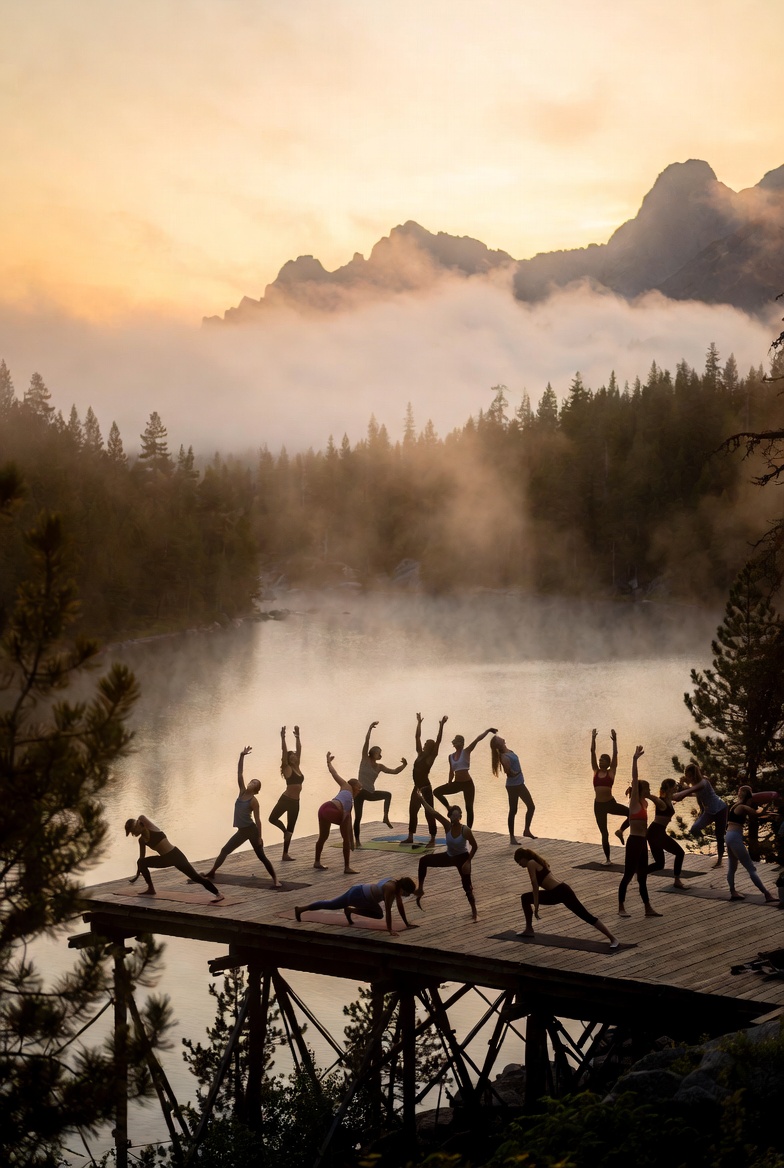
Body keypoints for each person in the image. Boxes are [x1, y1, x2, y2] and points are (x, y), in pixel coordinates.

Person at [203, 746, 280, 886]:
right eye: (251, 781)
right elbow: (239, 773)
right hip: (242, 831)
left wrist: (259, 837)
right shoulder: (242, 792)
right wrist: (242, 756)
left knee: (261, 856)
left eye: (254, 783)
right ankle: (212, 871)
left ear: (256, 790)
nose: (251, 783)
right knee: (225, 850)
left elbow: (258, 821)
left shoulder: (254, 801)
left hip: (251, 830)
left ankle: (275, 879)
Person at [514, 846, 618, 948]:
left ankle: (613, 938)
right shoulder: (537, 861)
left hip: (562, 892)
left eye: (519, 862)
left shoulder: (531, 863)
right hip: (556, 892)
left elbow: (534, 884)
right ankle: (529, 929)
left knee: (586, 916)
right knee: (525, 898)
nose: (520, 865)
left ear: (524, 858)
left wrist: (536, 906)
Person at [413, 790, 478, 921]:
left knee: (467, 886)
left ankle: (474, 911)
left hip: (462, 858)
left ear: (460, 817)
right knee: (423, 860)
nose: (454, 818)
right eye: (452, 816)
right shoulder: (447, 826)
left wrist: (468, 862)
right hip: (449, 856)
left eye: (457, 816)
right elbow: (433, 812)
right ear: (450, 817)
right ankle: (420, 889)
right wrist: (421, 800)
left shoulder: (465, 830)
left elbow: (475, 846)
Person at [125, 815, 223, 901]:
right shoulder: (142, 840)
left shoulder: (152, 828)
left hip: (176, 856)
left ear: (137, 825)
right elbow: (141, 859)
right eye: (131, 832)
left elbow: (141, 817)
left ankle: (218, 894)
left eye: (133, 831)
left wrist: (135, 823)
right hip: (164, 859)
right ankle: (151, 889)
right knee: (141, 862)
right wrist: (138, 874)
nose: (133, 834)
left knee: (196, 877)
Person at [617, 745, 662, 918]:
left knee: (642, 876)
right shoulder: (635, 802)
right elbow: (635, 778)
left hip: (643, 843)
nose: (650, 792)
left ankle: (648, 908)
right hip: (634, 841)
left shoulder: (645, 804)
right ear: (640, 791)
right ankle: (621, 906)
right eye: (648, 789)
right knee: (628, 874)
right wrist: (635, 759)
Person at [294, 875, 418, 935]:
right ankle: (301, 909)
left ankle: (349, 910)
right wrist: (390, 930)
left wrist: (407, 924)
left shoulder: (394, 883)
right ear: (402, 888)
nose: (405, 896)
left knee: (378, 914)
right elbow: (388, 910)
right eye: (406, 893)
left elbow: (400, 907)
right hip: (358, 896)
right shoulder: (390, 889)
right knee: (331, 904)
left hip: (360, 890)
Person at [432, 726, 497, 829]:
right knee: (436, 792)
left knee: (469, 807)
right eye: (456, 742)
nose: (458, 744)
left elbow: (477, 739)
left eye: (460, 742)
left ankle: (468, 830)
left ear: (462, 744)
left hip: (468, 784)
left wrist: (488, 731)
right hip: (457, 784)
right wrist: (449, 783)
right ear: (454, 744)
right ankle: (449, 807)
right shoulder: (450, 756)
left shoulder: (466, 751)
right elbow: (451, 771)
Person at [354, 721, 407, 845]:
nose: (380, 755)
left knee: (387, 794)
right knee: (358, 817)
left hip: (370, 792)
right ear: (373, 753)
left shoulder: (379, 767)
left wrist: (404, 765)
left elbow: (394, 771)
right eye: (379, 752)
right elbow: (366, 742)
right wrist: (370, 729)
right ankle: (357, 841)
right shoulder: (365, 759)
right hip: (360, 792)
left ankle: (385, 817)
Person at [400, 713, 448, 848]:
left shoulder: (430, 758)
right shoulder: (420, 754)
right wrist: (419, 723)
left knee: (429, 813)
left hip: (426, 789)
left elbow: (439, 741)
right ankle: (410, 837)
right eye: (425, 742)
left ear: (430, 747)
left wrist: (441, 725)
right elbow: (417, 737)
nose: (425, 743)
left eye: (427, 743)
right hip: (416, 788)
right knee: (412, 811)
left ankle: (432, 838)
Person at [725, 785, 776, 902]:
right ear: (749, 796)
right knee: (751, 868)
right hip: (735, 837)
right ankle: (767, 894)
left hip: (728, 836)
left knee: (732, 868)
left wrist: (769, 814)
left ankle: (733, 892)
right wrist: (769, 802)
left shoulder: (735, 806)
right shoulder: (742, 807)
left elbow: (757, 813)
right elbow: (757, 813)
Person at [672, 762, 728, 867]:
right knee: (695, 829)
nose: (687, 778)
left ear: (694, 775)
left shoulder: (704, 782)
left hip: (720, 809)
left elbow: (690, 791)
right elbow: (694, 793)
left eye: (689, 776)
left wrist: (679, 792)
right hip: (709, 812)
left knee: (719, 836)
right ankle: (707, 840)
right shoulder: (696, 785)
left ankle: (719, 860)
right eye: (686, 776)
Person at [314, 753, 362, 874]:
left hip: (323, 808)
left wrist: (328, 762)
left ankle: (317, 862)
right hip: (331, 809)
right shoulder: (347, 786)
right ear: (354, 785)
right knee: (345, 835)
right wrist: (350, 841)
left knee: (323, 836)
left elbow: (334, 773)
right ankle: (347, 867)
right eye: (359, 788)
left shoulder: (346, 791)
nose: (359, 791)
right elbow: (347, 819)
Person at [590, 728, 629, 861]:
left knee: (631, 813)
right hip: (598, 806)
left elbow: (615, 753)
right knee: (604, 833)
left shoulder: (611, 772)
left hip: (610, 804)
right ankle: (608, 859)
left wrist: (615, 740)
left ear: (608, 763)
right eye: (600, 760)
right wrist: (593, 738)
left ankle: (620, 831)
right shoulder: (595, 771)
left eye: (603, 760)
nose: (600, 762)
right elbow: (592, 752)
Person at [490, 734, 535, 843]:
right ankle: (512, 838)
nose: (500, 737)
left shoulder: (508, 751)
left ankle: (526, 830)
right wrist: (516, 772)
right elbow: (508, 772)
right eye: (498, 738)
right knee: (514, 810)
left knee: (530, 807)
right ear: (498, 744)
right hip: (514, 786)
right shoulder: (504, 756)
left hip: (519, 784)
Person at [269, 725, 303, 861]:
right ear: (288, 760)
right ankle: (284, 832)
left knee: (291, 828)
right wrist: (283, 738)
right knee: (272, 819)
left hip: (296, 802)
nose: (294, 755)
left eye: (295, 755)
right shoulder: (287, 768)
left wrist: (298, 736)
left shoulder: (297, 766)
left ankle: (285, 854)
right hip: (286, 799)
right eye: (292, 755)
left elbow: (300, 749)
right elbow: (284, 752)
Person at [647, 778, 686, 888]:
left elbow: (682, 794)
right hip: (656, 833)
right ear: (669, 787)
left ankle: (640, 872)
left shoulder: (670, 798)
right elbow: (654, 798)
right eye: (674, 786)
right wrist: (644, 793)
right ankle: (677, 881)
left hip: (655, 833)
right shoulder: (662, 801)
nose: (676, 788)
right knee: (680, 853)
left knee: (660, 864)